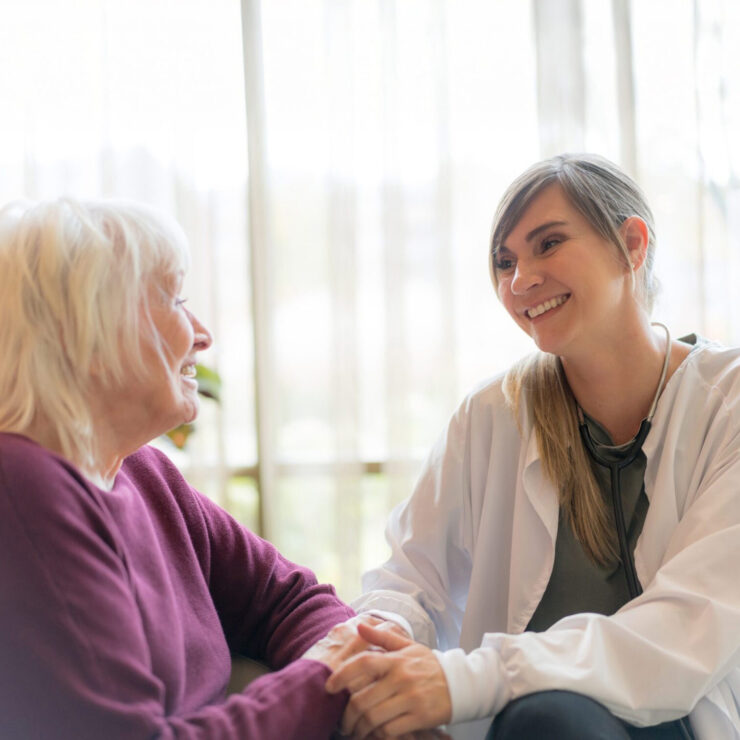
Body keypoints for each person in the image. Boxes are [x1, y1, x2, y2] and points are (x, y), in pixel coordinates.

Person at [326, 154, 740, 740]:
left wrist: (470, 679)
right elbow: (410, 578)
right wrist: (380, 639)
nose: (520, 280)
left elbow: (689, 628)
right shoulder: (492, 414)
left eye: (548, 244)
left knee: (552, 715)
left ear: (631, 243)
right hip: (525, 726)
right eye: (505, 261)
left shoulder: (729, 404)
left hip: (671, 722)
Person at [0, 197, 381, 739]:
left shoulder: (145, 472)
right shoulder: (22, 485)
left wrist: (366, 686)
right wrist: (330, 675)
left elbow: (288, 600)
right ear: (87, 335)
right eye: (176, 300)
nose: (202, 333)